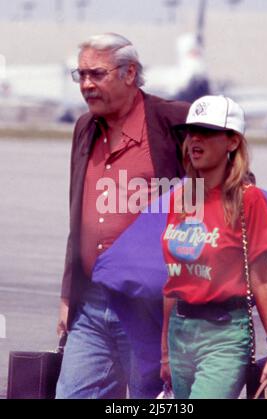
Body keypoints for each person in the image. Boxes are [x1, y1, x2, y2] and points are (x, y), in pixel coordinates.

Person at [55, 32, 190, 399]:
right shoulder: (85, 127)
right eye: (80, 75)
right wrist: (68, 296)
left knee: (148, 400)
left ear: (130, 73)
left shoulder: (171, 120)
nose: (86, 84)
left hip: (152, 306)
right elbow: (78, 217)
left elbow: (227, 172)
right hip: (92, 303)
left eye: (96, 74)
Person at [160, 95, 267, 399]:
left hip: (224, 334)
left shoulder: (249, 199)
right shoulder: (181, 198)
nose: (195, 139)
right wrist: (164, 349)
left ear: (232, 142)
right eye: (191, 131)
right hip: (180, 332)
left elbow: (263, 279)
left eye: (206, 132)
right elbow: (172, 279)